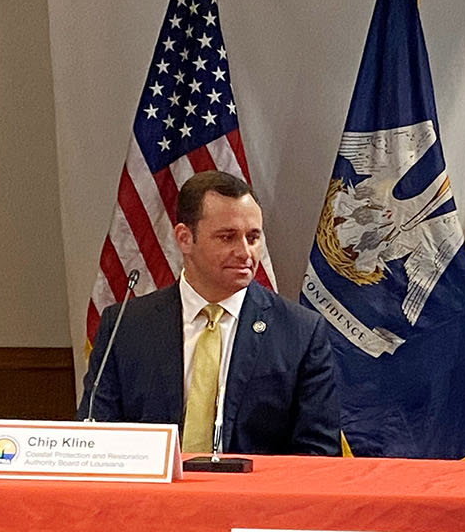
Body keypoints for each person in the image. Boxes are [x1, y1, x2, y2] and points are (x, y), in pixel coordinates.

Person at [79, 171, 341, 455]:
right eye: (227, 237)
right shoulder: (125, 327)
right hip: (153, 497)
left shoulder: (299, 332)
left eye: (253, 237)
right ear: (184, 238)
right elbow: (95, 439)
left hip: (253, 496)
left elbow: (319, 453)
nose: (245, 252)